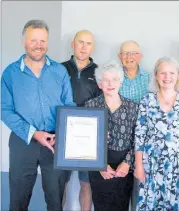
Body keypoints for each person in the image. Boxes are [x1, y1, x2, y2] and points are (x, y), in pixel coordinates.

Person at [1, 19, 74, 211]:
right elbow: (4, 109)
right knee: (18, 198)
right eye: (33, 40)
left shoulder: (59, 71)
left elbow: (69, 106)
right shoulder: (10, 73)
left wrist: (63, 133)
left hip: (55, 142)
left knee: (55, 199)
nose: (38, 45)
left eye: (43, 41)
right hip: (23, 141)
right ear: (24, 42)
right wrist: (33, 133)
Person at [134, 57, 179, 210]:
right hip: (151, 166)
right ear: (156, 75)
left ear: (177, 75)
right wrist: (138, 166)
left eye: (171, 73)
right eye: (163, 73)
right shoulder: (147, 100)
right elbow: (139, 136)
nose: (167, 77)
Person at [85, 60, 138, 211]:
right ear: (99, 84)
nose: (110, 83)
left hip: (125, 166)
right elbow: (85, 141)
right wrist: (100, 165)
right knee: (100, 206)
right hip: (99, 167)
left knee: (121, 206)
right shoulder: (90, 106)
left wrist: (127, 163)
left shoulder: (133, 107)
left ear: (120, 82)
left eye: (114, 79)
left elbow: (138, 139)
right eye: (105, 80)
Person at [62, 29, 101, 211]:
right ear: (73, 44)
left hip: (88, 137)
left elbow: (103, 103)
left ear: (92, 48)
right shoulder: (59, 68)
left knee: (87, 183)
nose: (84, 47)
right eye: (80, 42)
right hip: (62, 135)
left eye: (88, 43)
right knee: (60, 184)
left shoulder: (99, 72)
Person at [118, 40, 150, 210]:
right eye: (125, 53)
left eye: (133, 53)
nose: (129, 57)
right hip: (118, 146)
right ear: (119, 56)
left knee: (139, 197)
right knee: (120, 196)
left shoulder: (151, 79)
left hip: (143, 146)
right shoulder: (113, 78)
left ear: (140, 56)